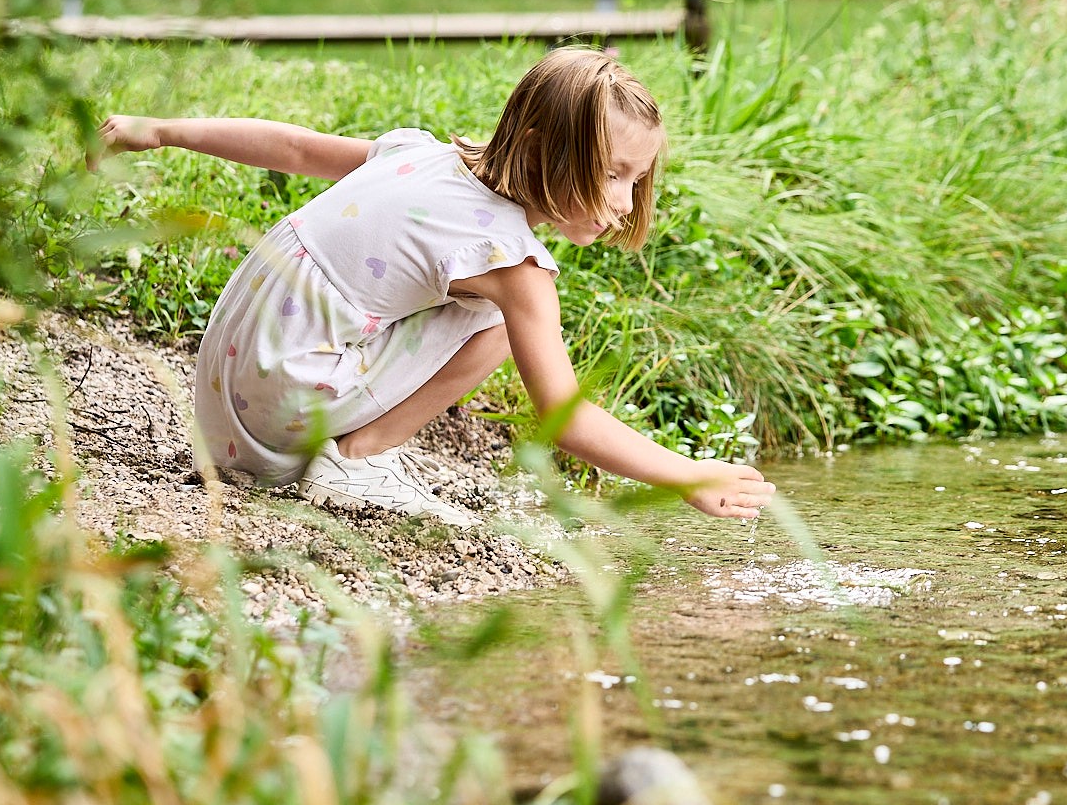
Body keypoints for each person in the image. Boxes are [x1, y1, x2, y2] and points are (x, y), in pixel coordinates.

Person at [95, 47, 774, 527]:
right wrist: (687, 473)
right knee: (502, 321)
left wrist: (158, 131)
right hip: (276, 405)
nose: (625, 201)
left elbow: (295, 148)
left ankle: (343, 448)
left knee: (482, 303)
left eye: (636, 178)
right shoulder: (514, 266)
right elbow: (564, 415)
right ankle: (356, 458)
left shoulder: (419, 153)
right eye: (613, 173)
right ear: (541, 149)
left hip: (224, 384)